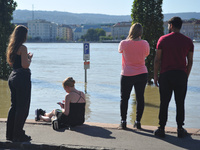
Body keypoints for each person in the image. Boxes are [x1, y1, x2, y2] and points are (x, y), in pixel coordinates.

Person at [154, 17, 194, 138]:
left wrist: (155, 76)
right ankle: (180, 129)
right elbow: (190, 61)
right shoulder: (188, 41)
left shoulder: (163, 39)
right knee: (180, 102)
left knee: (164, 102)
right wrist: (186, 75)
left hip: (166, 75)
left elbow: (157, 60)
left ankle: (161, 129)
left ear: (171, 26)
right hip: (181, 75)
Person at [118, 23, 150, 129]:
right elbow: (146, 54)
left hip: (127, 74)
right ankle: (138, 122)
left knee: (124, 98)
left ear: (130, 31)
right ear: (141, 32)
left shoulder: (124, 43)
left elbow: (120, 51)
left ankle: (123, 121)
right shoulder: (145, 43)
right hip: (141, 73)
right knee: (140, 98)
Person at [6, 25, 33, 142]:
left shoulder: (11, 47)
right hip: (22, 78)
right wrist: (29, 58)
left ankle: (10, 134)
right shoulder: (23, 48)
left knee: (14, 107)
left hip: (13, 77)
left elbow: (13, 64)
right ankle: (18, 134)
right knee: (23, 108)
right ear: (23, 35)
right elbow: (25, 65)